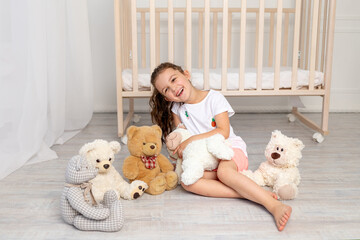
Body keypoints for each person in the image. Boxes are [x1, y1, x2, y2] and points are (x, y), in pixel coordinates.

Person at [149, 62, 292, 231]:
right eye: (166, 90)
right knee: (187, 182)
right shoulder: (177, 109)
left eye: (174, 79)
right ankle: (248, 193)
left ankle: (272, 205)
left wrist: (192, 140)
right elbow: (182, 137)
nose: (173, 88)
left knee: (224, 172)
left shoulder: (214, 98)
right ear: (167, 98)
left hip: (230, 150)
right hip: (208, 160)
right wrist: (179, 153)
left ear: (186, 74)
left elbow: (223, 131)